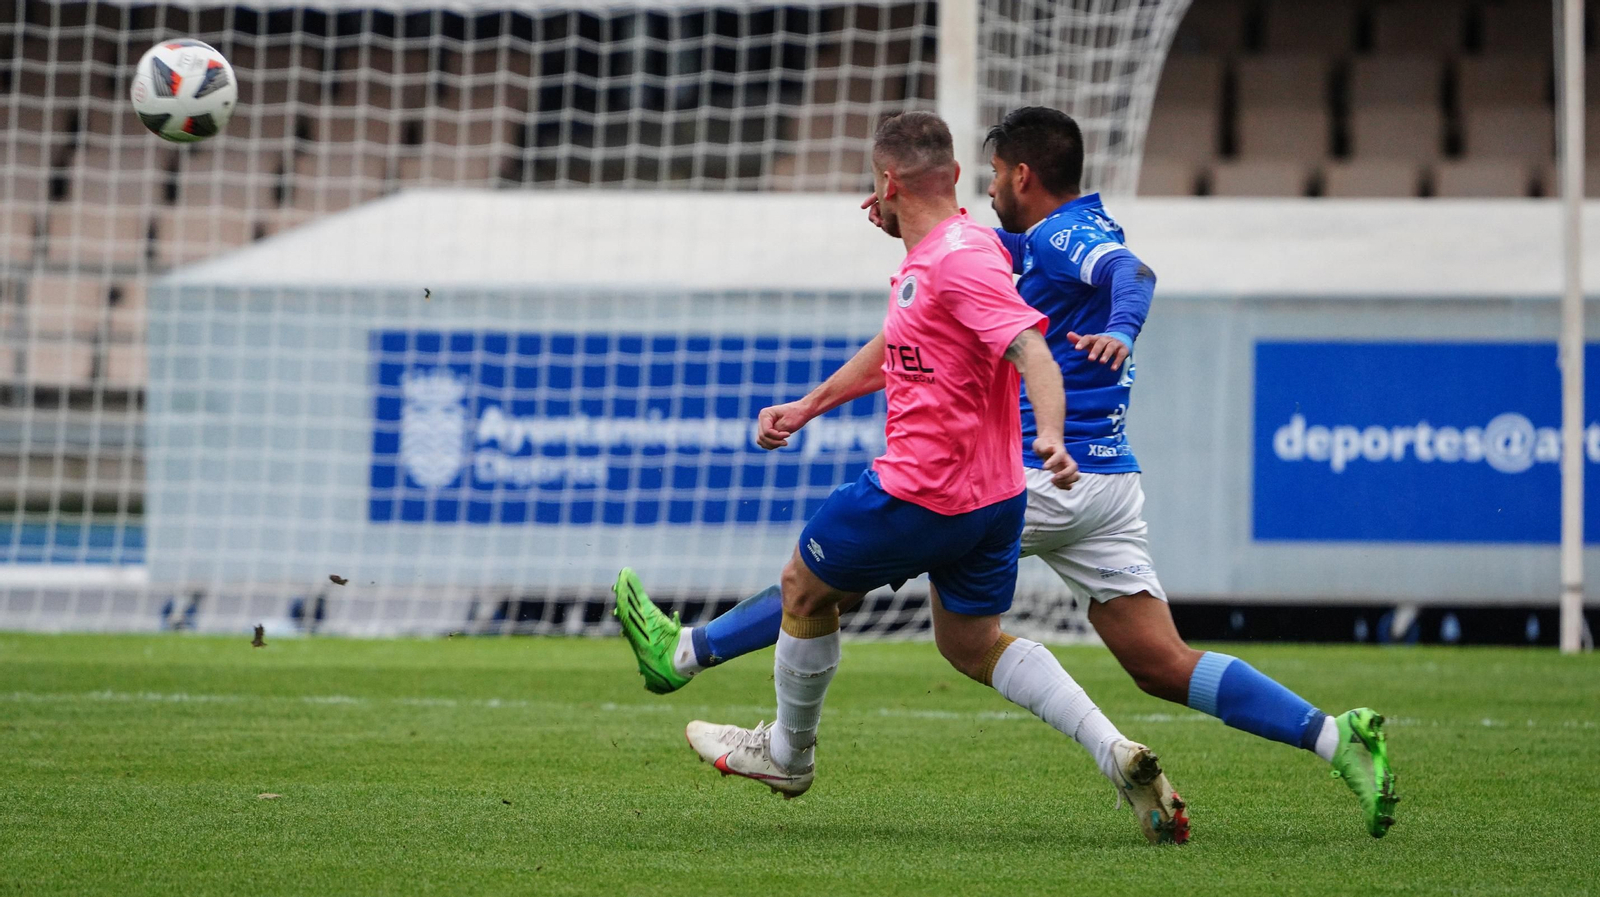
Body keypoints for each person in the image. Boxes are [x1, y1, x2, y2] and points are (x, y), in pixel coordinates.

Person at [648, 110, 1189, 845]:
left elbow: (1032, 349)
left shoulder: (956, 262)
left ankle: (784, 751)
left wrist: (1055, 435)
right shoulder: (960, 248)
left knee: (805, 586)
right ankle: (1116, 751)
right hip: (997, 498)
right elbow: (905, 339)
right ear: (959, 178)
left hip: (922, 489)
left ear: (888, 179)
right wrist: (811, 404)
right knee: (970, 643)